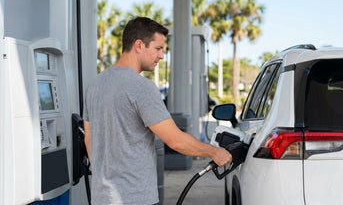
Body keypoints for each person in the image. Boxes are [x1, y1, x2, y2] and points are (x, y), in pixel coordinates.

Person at [83, 17, 232, 205]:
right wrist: (214, 152)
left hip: (101, 197)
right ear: (139, 45)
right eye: (158, 48)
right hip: (135, 198)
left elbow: (89, 140)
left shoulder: (95, 85)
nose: (162, 56)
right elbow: (175, 140)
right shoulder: (141, 87)